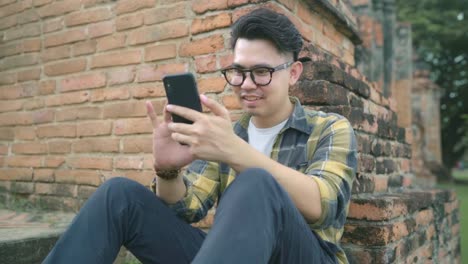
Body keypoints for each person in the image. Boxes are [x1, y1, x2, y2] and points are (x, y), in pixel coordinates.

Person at [44, 8, 357, 264]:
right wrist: (168, 170)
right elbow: (188, 207)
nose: (246, 84)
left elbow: (324, 204)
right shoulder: (230, 134)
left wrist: (235, 152)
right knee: (119, 196)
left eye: (261, 72)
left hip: (303, 256)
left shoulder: (329, 127)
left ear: (293, 73)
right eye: (237, 71)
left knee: (257, 182)